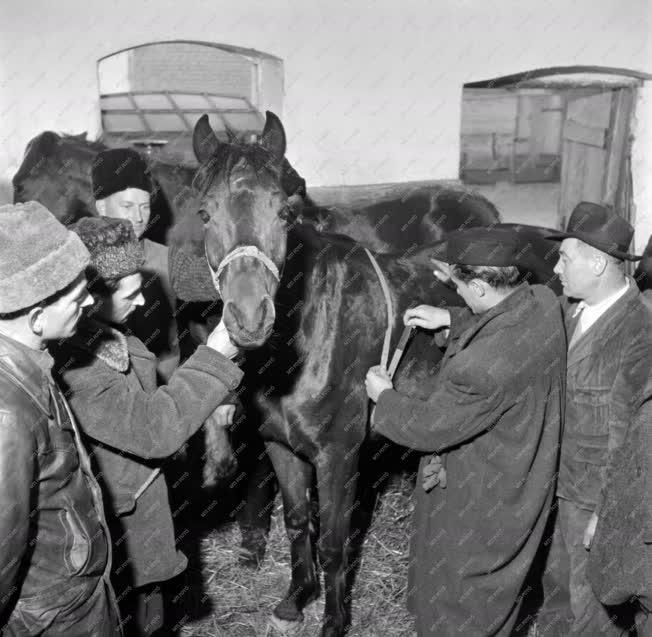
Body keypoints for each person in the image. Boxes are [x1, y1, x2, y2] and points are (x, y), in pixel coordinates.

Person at [364, 227, 566, 637]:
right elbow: (504, 325)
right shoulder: (543, 302)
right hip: (523, 484)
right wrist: (453, 320)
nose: (456, 295)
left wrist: (383, 396)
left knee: (457, 605)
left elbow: (427, 429)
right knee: (494, 603)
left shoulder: (480, 371)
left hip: (479, 504)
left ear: (479, 285)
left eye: (458, 288)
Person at [51, 216, 244, 636]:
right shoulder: (77, 370)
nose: (141, 303)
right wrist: (216, 356)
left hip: (136, 529)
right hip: (115, 546)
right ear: (93, 298)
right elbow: (155, 429)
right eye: (133, 293)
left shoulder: (111, 340)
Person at [0, 202, 120, 635]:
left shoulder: (29, 361)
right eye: (76, 296)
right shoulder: (7, 416)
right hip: (52, 619)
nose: (90, 300)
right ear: (34, 317)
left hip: (68, 598)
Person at [537, 201, 652, 636]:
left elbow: (628, 442)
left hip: (593, 501)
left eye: (565, 256)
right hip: (555, 488)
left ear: (599, 263)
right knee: (557, 596)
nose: (557, 266)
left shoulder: (639, 333)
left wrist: (603, 515)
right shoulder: (569, 311)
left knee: (591, 614)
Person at [92, 147, 179, 381]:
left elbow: (198, 326)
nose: (139, 218)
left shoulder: (167, 259)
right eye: (128, 206)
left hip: (165, 386)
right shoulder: (77, 260)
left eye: (145, 206)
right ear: (101, 207)